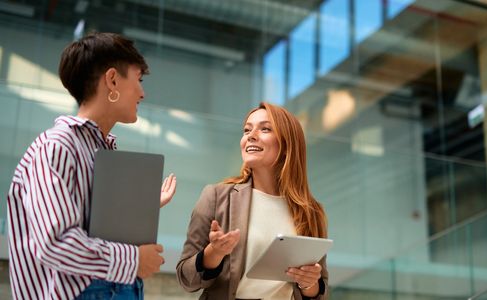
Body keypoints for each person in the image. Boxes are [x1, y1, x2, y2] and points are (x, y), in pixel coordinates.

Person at [6, 32, 177, 300]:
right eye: (138, 80)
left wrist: (142, 209)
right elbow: (55, 243)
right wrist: (134, 260)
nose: (142, 93)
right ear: (112, 80)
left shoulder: (100, 150)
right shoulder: (56, 146)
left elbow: (92, 227)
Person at [176, 102, 329, 299]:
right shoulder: (216, 196)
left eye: (265, 129)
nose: (251, 135)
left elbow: (319, 291)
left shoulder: (311, 211)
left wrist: (309, 283)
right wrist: (213, 253)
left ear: (286, 146)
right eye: (247, 130)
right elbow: (186, 279)